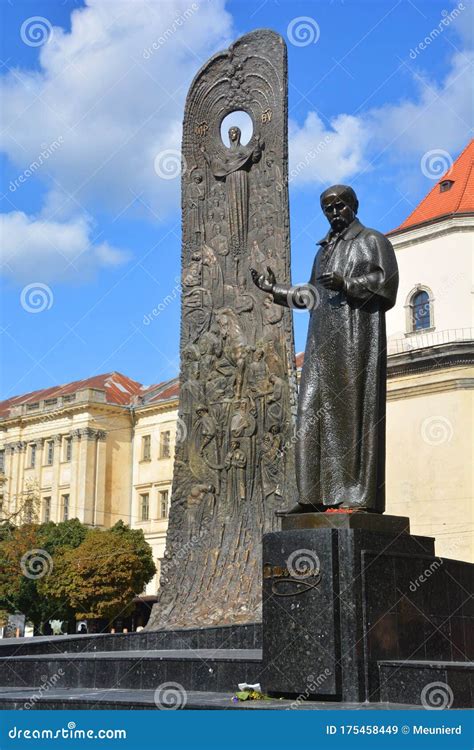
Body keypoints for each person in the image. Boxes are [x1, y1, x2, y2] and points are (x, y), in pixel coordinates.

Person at [251, 185, 398, 514]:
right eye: (328, 209)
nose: (334, 213)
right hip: (320, 348)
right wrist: (273, 289)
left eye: (340, 206)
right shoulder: (323, 251)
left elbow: (387, 285)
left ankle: (356, 497)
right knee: (308, 414)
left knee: (352, 417)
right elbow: (310, 296)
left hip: (354, 344)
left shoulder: (372, 241)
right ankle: (311, 498)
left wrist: (348, 284)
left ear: (354, 205)